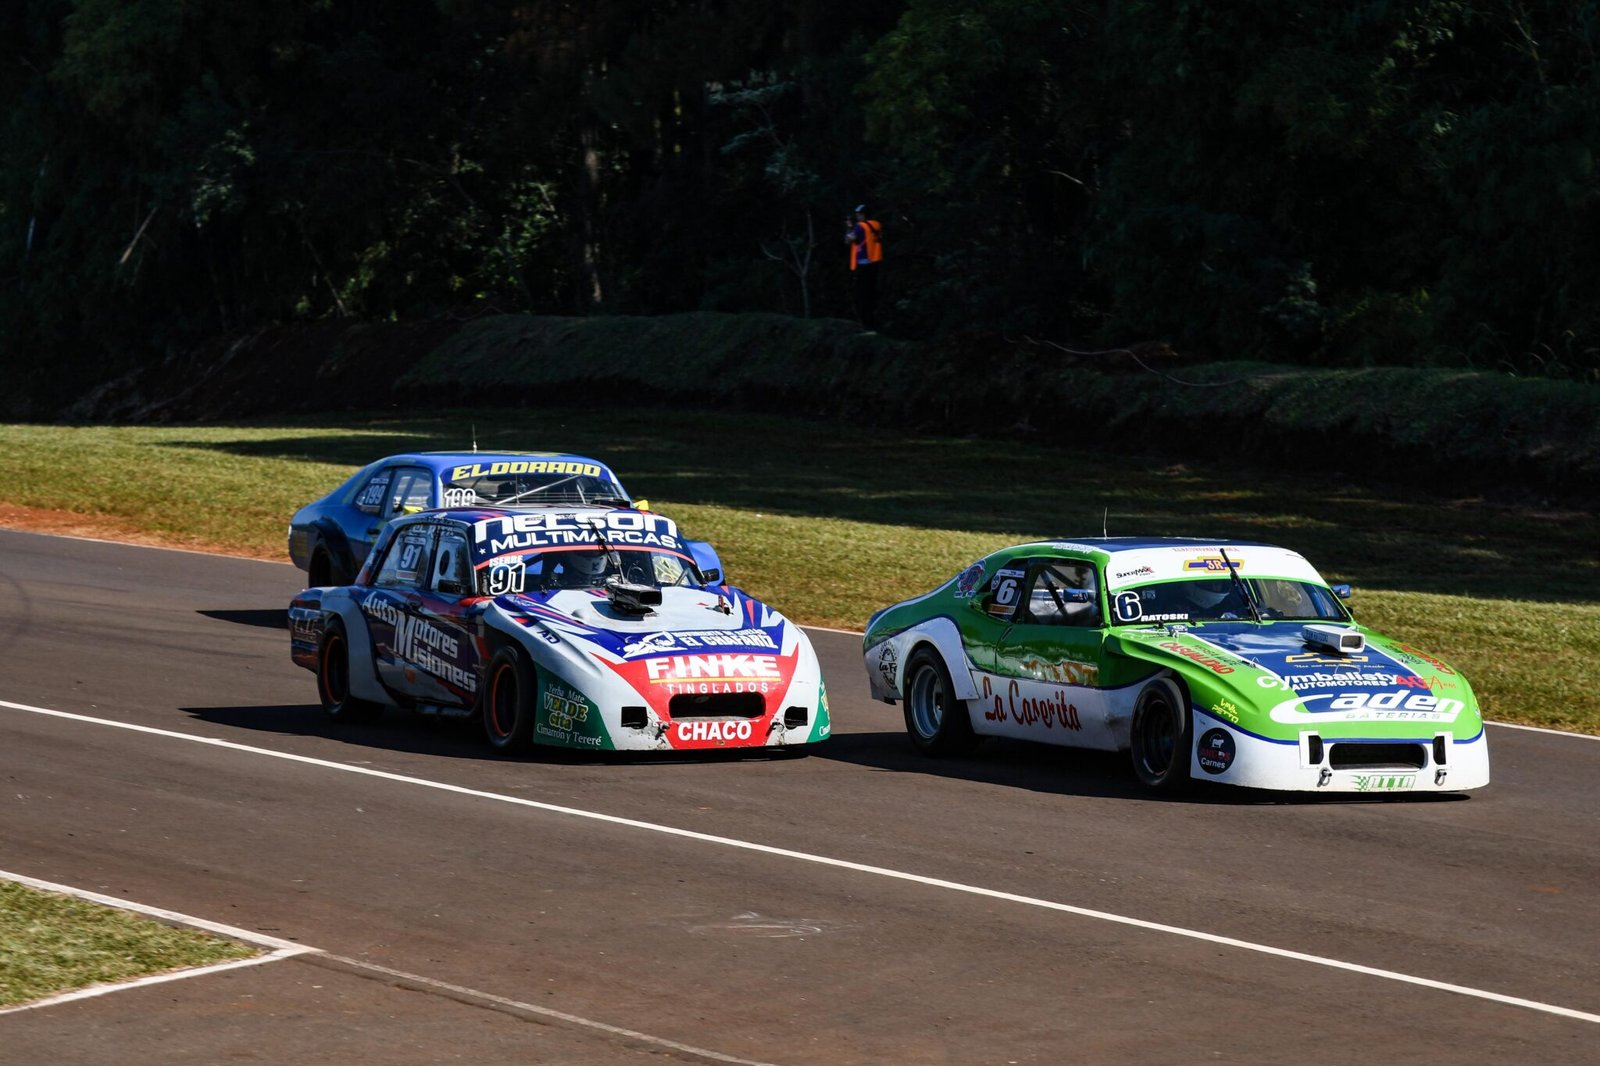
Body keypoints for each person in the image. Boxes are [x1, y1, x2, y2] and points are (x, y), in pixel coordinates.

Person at [844, 204, 883, 330]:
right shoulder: (877, 224)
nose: (857, 217)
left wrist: (849, 228)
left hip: (863, 265)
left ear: (864, 215)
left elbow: (848, 241)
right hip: (875, 263)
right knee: (872, 293)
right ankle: (874, 323)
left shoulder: (860, 227)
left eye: (859, 214)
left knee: (862, 295)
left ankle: (866, 325)